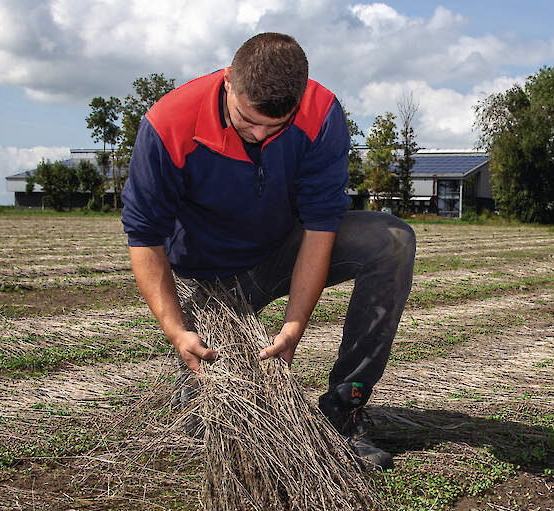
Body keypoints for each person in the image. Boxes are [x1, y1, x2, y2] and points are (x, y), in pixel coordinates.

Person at [120, 32, 415, 471]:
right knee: (203, 420)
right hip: (210, 277)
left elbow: (320, 225)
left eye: (273, 127)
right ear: (227, 82)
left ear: (297, 102)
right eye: (246, 121)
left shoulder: (321, 114)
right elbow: (144, 237)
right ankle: (197, 369)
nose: (258, 135)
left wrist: (294, 326)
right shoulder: (169, 124)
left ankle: (343, 408)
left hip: (282, 252)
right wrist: (177, 330)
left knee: (392, 241)